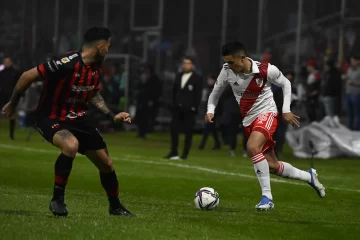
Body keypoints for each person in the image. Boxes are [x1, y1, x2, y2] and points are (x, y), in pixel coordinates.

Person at [1, 27, 134, 217]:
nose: (109, 51)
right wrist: (13, 103)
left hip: (79, 119)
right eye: (108, 47)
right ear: (101, 46)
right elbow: (27, 76)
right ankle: (57, 200)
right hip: (51, 118)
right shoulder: (66, 63)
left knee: (106, 164)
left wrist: (112, 116)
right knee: (71, 145)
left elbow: (93, 92)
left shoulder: (96, 64)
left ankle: (115, 207)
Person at [205, 41, 325, 210]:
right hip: (248, 120)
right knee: (273, 166)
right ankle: (309, 177)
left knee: (252, 147)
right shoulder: (226, 71)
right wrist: (211, 110)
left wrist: (285, 110)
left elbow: (286, 84)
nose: (229, 65)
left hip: (267, 114)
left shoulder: (265, 70)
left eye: (232, 62)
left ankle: (267, 198)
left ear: (243, 58)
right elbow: (215, 93)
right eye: (226, 62)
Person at [165, 56, 203, 160]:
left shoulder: (197, 78)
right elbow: (174, 91)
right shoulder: (178, 76)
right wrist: (173, 104)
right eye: (184, 63)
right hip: (177, 108)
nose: (185, 65)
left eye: (188, 63)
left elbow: (198, 95)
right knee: (173, 129)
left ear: (192, 65)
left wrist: (194, 107)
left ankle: (185, 153)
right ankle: (174, 152)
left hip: (188, 110)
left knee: (188, 132)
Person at [0, 57, 21, 140]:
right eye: (5, 62)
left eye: (8, 61)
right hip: (2, 95)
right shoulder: (2, 72)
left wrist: (20, 95)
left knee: (12, 114)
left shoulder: (16, 72)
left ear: (11, 62)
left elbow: (20, 84)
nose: (6, 63)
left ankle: (11, 135)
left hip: (12, 96)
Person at [199, 75, 221, 150]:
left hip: (212, 112)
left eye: (211, 80)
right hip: (210, 111)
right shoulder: (209, 89)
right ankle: (218, 143)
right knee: (212, 128)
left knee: (207, 128)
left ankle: (202, 145)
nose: (209, 81)